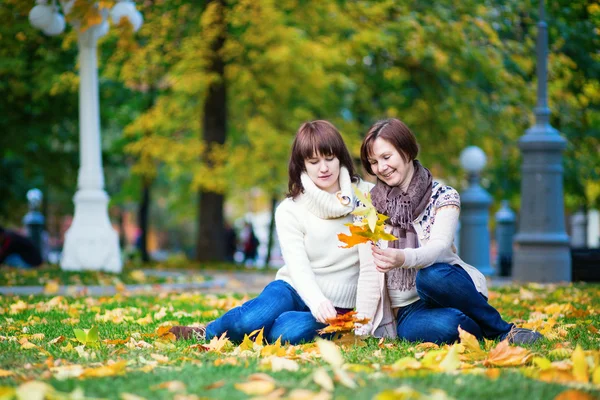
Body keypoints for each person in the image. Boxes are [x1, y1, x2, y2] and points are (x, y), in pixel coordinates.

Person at [169, 120, 374, 344]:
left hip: (336, 308)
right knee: (247, 322)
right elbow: (298, 265)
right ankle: (207, 331)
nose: (323, 168)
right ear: (302, 164)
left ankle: (270, 325)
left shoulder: (367, 196)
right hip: (292, 289)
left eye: (329, 158)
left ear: (341, 157)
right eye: (314, 161)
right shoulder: (290, 209)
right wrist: (316, 301)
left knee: (286, 335)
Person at [353, 118, 543, 345]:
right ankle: (478, 329)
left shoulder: (442, 195)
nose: (380, 168)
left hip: (446, 289)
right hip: (407, 311)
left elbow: (439, 247)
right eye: (373, 162)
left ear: (406, 150)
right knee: (448, 326)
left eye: (386, 157)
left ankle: (502, 331)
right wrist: (361, 330)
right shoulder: (368, 206)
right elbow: (367, 271)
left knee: (430, 275)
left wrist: (403, 258)